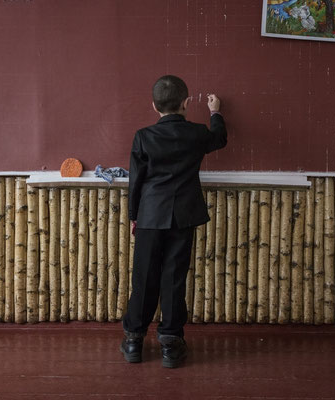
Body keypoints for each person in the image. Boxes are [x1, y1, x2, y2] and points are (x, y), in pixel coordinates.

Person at [121, 75, 227, 368]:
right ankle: (170, 342)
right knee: (173, 278)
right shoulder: (196, 133)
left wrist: (134, 217)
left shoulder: (143, 136)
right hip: (183, 216)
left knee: (143, 278)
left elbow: (136, 182)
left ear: (154, 106)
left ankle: (133, 341)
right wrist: (215, 112)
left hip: (150, 217)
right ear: (186, 102)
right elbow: (219, 138)